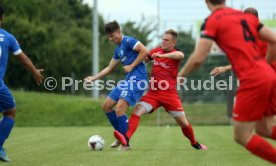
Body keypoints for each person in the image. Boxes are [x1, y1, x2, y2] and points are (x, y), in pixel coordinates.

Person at [179, 0, 276, 163]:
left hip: (253, 79)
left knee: (241, 135)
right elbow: (274, 40)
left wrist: (181, 74)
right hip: (268, 76)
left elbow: (198, 58)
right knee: (263, 128)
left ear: (206, 2)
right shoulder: (246, 18)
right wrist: (264, 66)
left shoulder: (213, 21)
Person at [113, 29, 207, 150]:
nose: (163, 41)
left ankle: (195, 143)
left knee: (183, 123)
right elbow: (142, 60)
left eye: (166, 40)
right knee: (137, 111)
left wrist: (163, 55)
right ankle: (126, 139)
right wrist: (130, 62)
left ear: (173, 42)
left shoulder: (175, 53)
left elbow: (180, 55)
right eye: (163, 39)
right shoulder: (156, 50)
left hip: (170, 95)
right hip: (153, 94)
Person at [84, 21, 148, 150]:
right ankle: (121, 137)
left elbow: (145, 50)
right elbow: (109, 68)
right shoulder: (118, 50)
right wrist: (94, 78)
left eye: (112, 35)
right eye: (109, 36)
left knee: (119, 108)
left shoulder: (129, 41)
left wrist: (132, 65)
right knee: (106, 106)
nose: (111, 39)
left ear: (119, 32)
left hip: (138, 80)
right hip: (128, 80)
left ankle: (125, 143)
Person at [0, 6, 44, 162]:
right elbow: (23, 59)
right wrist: (35, 72)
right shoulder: (8, 38)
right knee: (10, 111)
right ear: (2, 18)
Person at [210, 7, 272, 76]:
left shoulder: (256, 37)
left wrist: (225, 68)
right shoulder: (263, 34)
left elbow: (247, 62)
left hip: (266, 76)